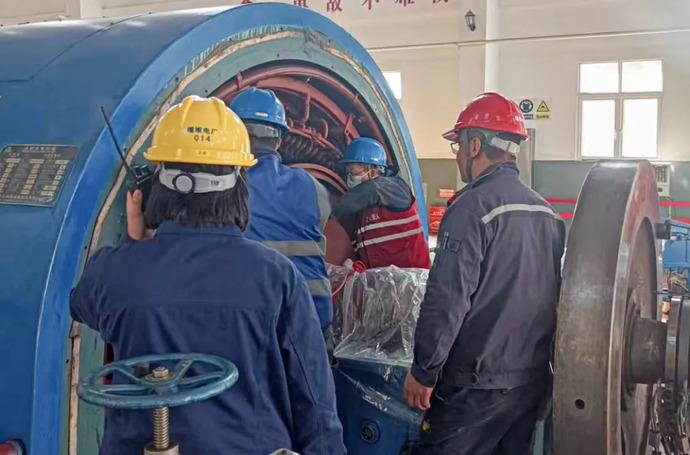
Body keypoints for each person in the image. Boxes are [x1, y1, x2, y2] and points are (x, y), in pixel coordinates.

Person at [70, 95, 346, 455]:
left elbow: (81, 304)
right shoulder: (277, 277)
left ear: (155, 189)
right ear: (240, 184)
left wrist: (133, 241)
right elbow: (314, 400)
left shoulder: (113, 271)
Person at [403, 92, 565, 455]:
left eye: (458, 145)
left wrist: (424, 371)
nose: (457, 155)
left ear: (474, 145)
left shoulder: (471, 209)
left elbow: (447, 299)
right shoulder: (548, 214)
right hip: (529, 384)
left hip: (473, 388)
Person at [229, 88, 335, 350]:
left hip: (259, 323)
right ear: (278, 141)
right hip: (315, 316)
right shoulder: (314, 187)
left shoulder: (228, 187)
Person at [332, 137, 431, 269]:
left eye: (352, 172)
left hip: (411, 277)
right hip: (383, 279)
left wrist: (326, 210)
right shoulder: (362, 212)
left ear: (373, 172)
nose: (349, 177)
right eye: (348, 173)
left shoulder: (397, 189)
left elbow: (370, 190)